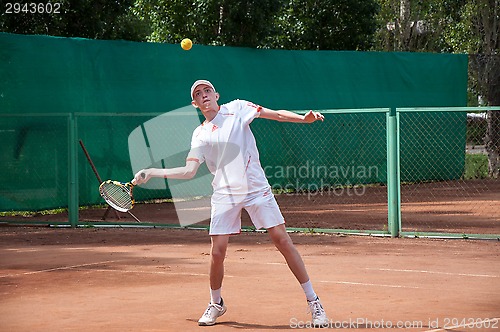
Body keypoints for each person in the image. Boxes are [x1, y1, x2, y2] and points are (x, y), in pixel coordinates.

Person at [133, 80, 329, 327]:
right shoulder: (200, 134)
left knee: (281, 239)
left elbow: (275, 114)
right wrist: (152, 172)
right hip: (225, 193)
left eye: (207, 91)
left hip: (255, 187)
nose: (204, 95)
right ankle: (216, 303)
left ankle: (314, 302)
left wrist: (302, 119)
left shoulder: (237, 108)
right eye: (198, 94)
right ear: (195, 104)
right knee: (217, 251)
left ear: (216, 95)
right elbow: (189, 170)